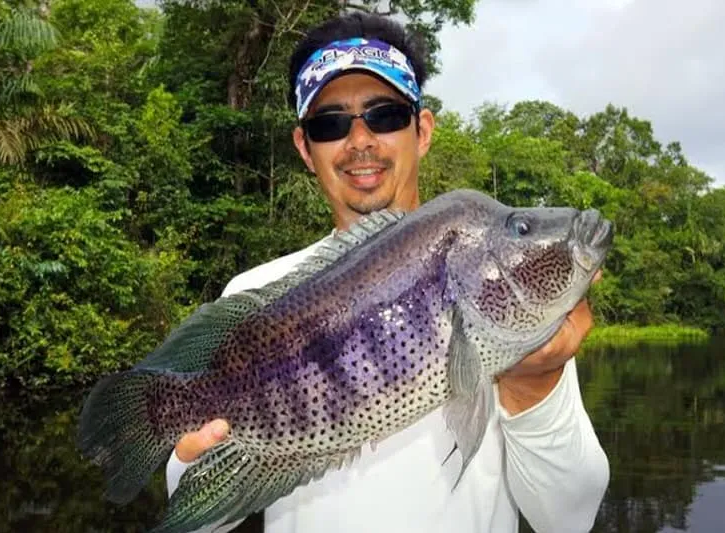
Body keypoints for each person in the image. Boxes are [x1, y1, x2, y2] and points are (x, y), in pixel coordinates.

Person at [166, 12, 609, 533]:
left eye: (385, 115)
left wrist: (535, 383)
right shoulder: (256, 294)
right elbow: (199, 519)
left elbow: (570, 518)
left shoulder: (524, 326)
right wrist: (189, 460)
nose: (360, 141)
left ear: (422, 130)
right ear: (305, 149)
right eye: (330, 124)